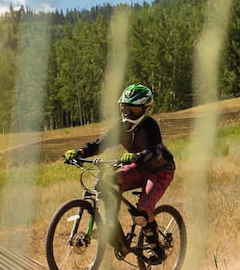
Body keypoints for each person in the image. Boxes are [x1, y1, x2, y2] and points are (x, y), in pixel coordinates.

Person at [63, 84, 176, 246]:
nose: (128, 113)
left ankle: (155, 246)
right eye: (125, 108)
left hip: (160, 170)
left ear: (146, 109)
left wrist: (136, 156)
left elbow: (156, 150)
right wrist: (80, 152)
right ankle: (111, 227)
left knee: (142, 212)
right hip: (139, 167)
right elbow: (101, 143)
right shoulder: (121, 127)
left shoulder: (150, 126)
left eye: (134, 109)